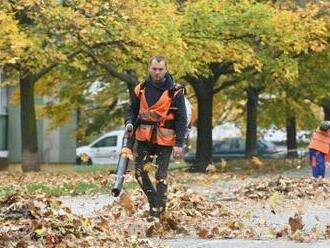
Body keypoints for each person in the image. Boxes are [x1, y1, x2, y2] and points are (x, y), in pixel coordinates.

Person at [125, 55, 187, 219]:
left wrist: (179, 143)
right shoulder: (140, 89)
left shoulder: (176, 91)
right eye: (154, 69)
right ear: (149, 69)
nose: (157, 72)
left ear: (166, 70)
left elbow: (182, 118)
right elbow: (132, 110)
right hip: (144, 138)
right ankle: (154, 203)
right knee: (139, 173)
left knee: (161, 175)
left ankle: (159, 211)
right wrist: (129, 122)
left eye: (160, 69)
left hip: (165, 140)